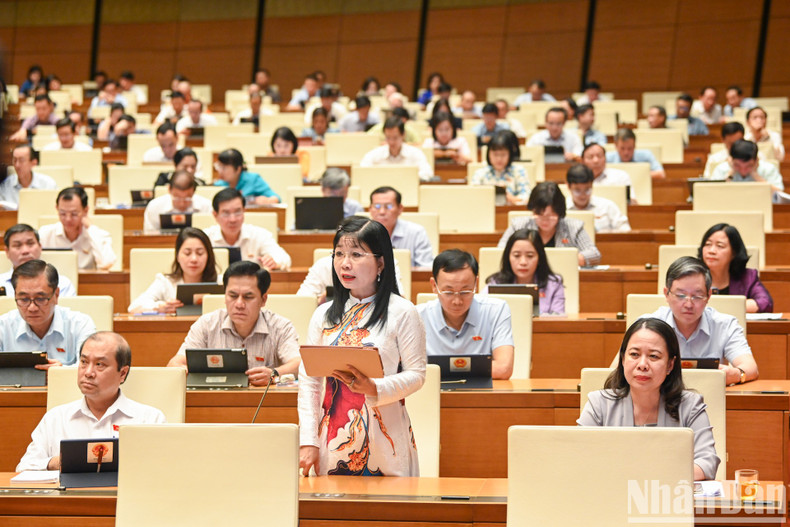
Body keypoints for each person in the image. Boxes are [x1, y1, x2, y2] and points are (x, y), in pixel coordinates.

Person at [298, 216, 426, 476]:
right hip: (332, 437)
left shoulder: (402, 311)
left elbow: (417, 375)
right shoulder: (323, 315)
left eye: (356, 254)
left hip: (385, 438)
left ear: (380, 262)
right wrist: (308, 440)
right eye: (339, 254)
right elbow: (310, 381)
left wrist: (374, 387)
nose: (345, 263)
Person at [579, 318, 720, 481]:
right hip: (612, 499)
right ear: (623, 360)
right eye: (634, 355)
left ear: (670, 365)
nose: (642, 364)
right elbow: (579, 457)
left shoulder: (690, 405)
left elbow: (707, 462)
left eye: (653, 356)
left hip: (668, 498)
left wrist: (648, 478)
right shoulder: (599, 404)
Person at [16, 331, 166, 471]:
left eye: (100, 364)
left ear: (122, 373)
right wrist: (55, 462)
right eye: (84, 362)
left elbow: (164, 469)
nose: (88, 373)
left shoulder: (150, 419)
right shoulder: (56, 417)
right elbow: (23, 469)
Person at [168, 261, 301, 385]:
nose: (239, 304)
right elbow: (174, 363)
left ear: (263, 299)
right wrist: (183, 371)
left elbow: (298, 363)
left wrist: (274, 374)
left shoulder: (280, 327)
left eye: (248, 297)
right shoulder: (206, 324)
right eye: (232, 296)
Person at [641, 256, 758, 385]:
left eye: (697, 296)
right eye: (680, 295)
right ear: (666, 294)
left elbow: (750, 368)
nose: (688, 304)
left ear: (708, 296)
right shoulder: (647, 325)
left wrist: (737, 375)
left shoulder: (725, 325)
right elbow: (618, 368)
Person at [419, 249, 514, 378]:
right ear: (434, 286)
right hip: (433, 393)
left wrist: (439, 372)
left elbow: (504, 368)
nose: (457, 301)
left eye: (465, 291)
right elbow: (407, 371)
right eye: (448, 292)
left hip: (481, 393)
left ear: (476, 283)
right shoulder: (417, 316)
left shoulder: (496, 310)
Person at [0, 260, 95, 367]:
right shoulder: (3, 326)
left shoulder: (80, 324)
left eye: (40, 299)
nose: (32, 308)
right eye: (24, 299)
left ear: (56, 295)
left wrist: (62, 372)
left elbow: (90, 368)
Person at [498, 181, 601, 266]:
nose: (545, 220)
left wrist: (568, 259)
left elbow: (594, 254)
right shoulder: (519, 225)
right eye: (539, 214)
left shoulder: (573, 227)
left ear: (560, 212)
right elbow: (499, 251)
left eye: (551, 216)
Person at [129, 227, 219, 313]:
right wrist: (160, 307)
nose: (194, 259)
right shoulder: (166, 282)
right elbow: (134, 307)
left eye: (200, 253)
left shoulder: (221, 282)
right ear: (177, 257)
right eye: (187, 253)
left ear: (209, 256)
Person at [204, 188, 292, 270]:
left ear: (244, 211)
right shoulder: (206, 237)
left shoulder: (259, 235)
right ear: (215, 215)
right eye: (226, 213)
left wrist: (274, 262)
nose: (233, 219)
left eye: (237, 212)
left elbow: (284, 258)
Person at [485, 229, 565, 315]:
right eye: (516, 255)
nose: (523, 262)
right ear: (508, 257)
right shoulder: (496, 282)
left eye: (530, 256)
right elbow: (481, 309)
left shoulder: (553, 283)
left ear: (539, 258)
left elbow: (558, 318)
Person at [698, 223, 773, 313]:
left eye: (720, 246)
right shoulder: (692, 276)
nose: (711, 251)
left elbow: (766, 303)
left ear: (734, 252)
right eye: (708, 244)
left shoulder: (747, 277)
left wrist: (726, 306)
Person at [39, 187, 116, 270]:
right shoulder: (45, 234)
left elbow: (107, 263)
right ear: (57, 208)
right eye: (63, 213)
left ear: (85, 210)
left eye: (74, 214)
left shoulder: (97, 235)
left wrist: (90, 228)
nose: (68, 219)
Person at [0, 224, 76, 296]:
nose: (25, 251)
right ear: (7, 252)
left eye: (30, 243)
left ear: (40, 247)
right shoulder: (1, 282)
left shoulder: (62, 284)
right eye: (17, 245)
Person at [369, 186, 434, 268]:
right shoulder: (360, 233)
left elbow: (426, 267)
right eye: (377, 206)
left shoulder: (416, 232)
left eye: (388, 206)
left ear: (400, 208)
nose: (382, 212)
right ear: (370, 209)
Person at [359, 117, 433, 181]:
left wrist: (408, 178)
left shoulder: (415, 153)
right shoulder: (376, 154)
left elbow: (427, 173)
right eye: (388, 138)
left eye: (395, 138)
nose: (391, 142)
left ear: (403, 135)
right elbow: (362, 171)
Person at [565, 164, 630, 232]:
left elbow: (626, 231)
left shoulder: (607, 206)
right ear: (568, 186)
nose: (583, 195)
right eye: (577, 191)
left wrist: (608, 233)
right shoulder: (561, 209)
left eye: (587, 190)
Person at [143, 170, 212, 233]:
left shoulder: (206, 206)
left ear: (194, 191)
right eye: (177, 198)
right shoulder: (155, 206)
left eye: (187, 198)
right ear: (169, 189)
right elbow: (149, 235)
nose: (182, 204)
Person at [471, 131, 530, 205]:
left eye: (503, 154)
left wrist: (512, 199)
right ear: (488, 154)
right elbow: (472, 196)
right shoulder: (480, 173)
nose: (499, 159)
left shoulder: (519, 171)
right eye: (495, 155)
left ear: (510, 154)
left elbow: (528, 197)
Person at [710, 139, 784, 193]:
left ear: (756, 160)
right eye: (738, 165)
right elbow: (712, 193)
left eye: (749, 166)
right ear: (731, 160)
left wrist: (755, 175)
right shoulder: (721, 169)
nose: (743, 170)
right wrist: (731, 173)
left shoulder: (768, 169)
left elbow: (778, 195)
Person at [214, 148, 281, 205]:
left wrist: (266, 201)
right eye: (219, 166)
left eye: (224, 168)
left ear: (238, 169)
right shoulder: (219, 184)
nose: (220, 171)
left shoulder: (253, 180)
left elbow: (276, 198)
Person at [0, 145, 57, 210]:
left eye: (21, 160)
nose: (17, 165)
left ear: (33, 163)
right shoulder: (5, 185)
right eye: (15, 160)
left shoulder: (48, 184)